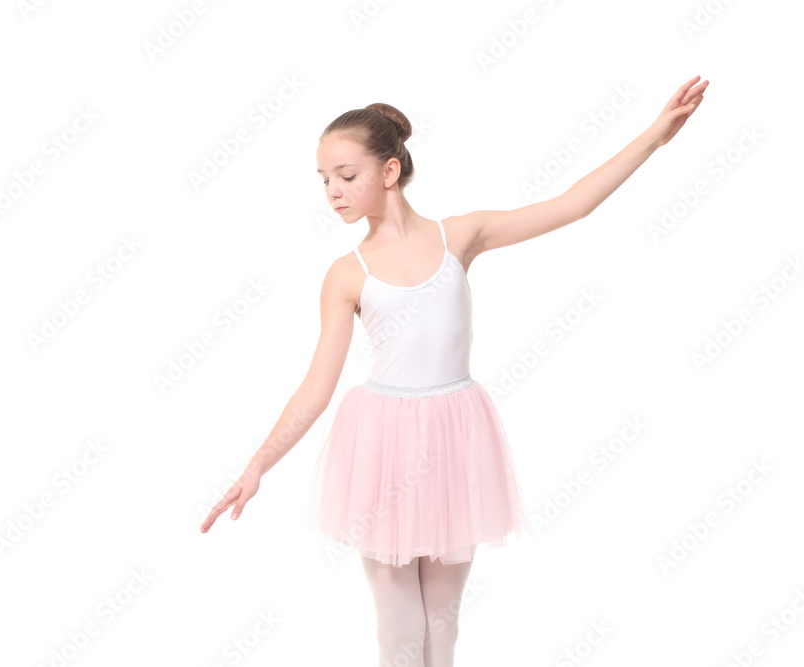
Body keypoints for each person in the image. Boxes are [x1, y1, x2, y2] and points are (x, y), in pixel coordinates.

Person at [200, 75, 708, 667]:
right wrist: (257, 466)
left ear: (388, 172)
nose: (332, 191)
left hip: (455, 436)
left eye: (346, 175)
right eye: (324, 180)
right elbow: (317, 385)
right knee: (400, 632)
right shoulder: (346, 273)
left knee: (442, 633)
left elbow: (572, 205)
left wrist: (655, 136)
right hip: (383, 444)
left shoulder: (460, 236)